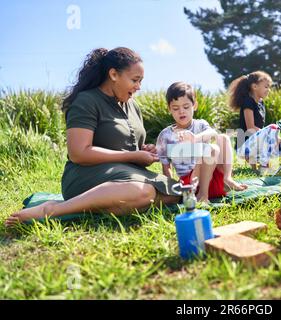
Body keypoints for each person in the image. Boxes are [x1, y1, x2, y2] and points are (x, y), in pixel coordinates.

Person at [6, 47, 180, 227]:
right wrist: (132, 156)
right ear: (113, 74)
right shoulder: (86, 101)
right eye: (135, 80)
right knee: (144, 193)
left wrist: (144, 152)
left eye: (140, 81)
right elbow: (79, 153)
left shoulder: (133, 106)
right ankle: (51, 210)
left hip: (126, 173)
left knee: (176, 192)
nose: (138, 87)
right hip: (86, 174)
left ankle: (107, 203)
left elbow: (133, 148)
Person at [156, 82, 247, 204]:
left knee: (223, 138)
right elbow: (166, 168)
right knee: (212, 149)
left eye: (186, 107)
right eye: (176, 108)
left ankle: (227, 178)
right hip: (191, 185)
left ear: (194, 106)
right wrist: (171, 193)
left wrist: (194, 139)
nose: (181, 111)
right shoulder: (165, 135)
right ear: (169, 109)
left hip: (211, 179)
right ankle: (202, 195)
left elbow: (213, 133)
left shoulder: (201, 125)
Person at [228, 71, 281, 171]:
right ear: (254, 87)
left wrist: (274, 138)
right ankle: (264, 165)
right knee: (273, 128)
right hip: (244, 147)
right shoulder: (248, 102)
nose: (268, 90)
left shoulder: (261, 103)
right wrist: (273, 136)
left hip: (255, 144)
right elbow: (250, 128)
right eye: (266, 87)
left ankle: (259, 164)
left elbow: (260, 131)